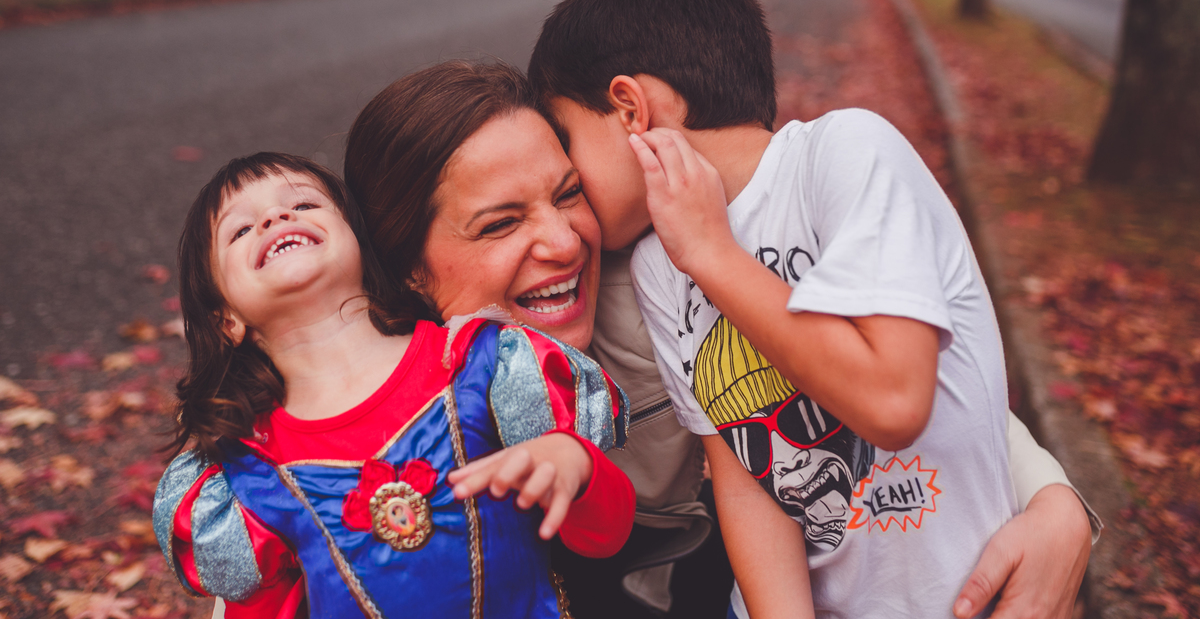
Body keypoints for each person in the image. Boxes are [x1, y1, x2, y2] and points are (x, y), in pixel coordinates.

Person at [345, 60, 1096, 618]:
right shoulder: (359, 397)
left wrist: (1056, 501)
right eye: (502, 223)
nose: (564, 242)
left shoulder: (656, 290)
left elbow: (875, 380)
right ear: (409, 268)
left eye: (569, 193)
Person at [525, 0, 1096, 618]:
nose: (568, 180)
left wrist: (714, 257)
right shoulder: (656, 264)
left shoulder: (847, 153)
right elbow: (742, 477)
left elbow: (893, 404)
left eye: (566, 138)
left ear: (629, 109)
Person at [153, 151, 635, 618]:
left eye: (303, 204)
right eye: (240, 228)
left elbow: (606, 536)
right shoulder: (250, 471)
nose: (276, 217)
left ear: (361, 243)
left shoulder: (483, 365)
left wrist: (576, 463)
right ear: (225, 320)